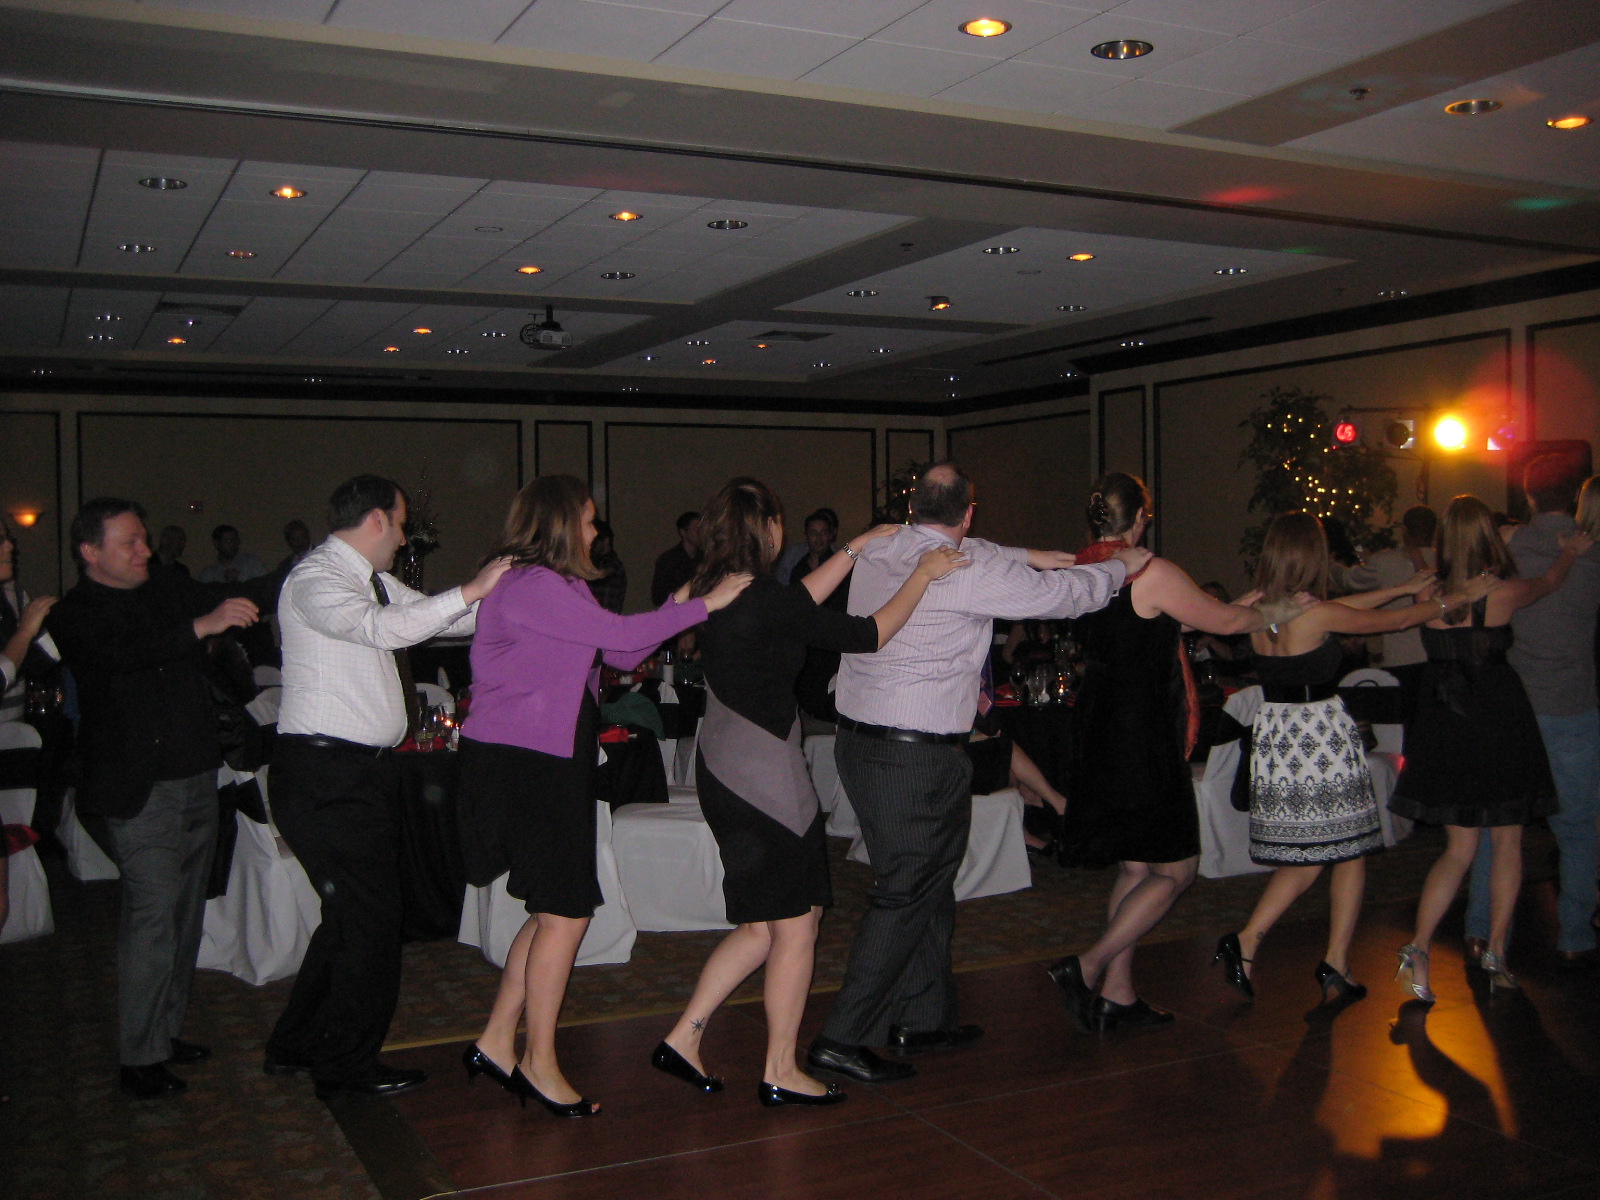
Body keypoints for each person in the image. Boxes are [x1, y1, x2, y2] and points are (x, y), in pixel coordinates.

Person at [806, 462, 1146, 1086]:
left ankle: (923, 1016)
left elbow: (978, 548)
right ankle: (841, 1038)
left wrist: (1029, 554)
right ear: (968, 512)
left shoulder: (883, 545)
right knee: (906, 892)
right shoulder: (967, 570)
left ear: (914, 509)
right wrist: (1123, 566)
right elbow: (1066, 598)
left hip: (861, 743)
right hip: (912, 755)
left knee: (929, 881)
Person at [654, 479, 965, 1108]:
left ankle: (683, 1039)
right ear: (767, 528)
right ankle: (780, 1068)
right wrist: (924, 574)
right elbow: (870, 633)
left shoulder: (717, 591)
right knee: (799, 924)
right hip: (765, 776)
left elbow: (795, 604)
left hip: (722, 767)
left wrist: (854, 548)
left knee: (762, 927)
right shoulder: (761, 596)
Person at [457, 475, 749, 1116]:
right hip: (527, 762)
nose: (596, 531)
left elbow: (623, 646)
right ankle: (538, 1063)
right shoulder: (534, 584)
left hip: (539, 756)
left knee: (553, 909)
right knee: (566, 911)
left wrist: (688, 594)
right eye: (589, 520)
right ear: (562, 523)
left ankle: (497, 1040)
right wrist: (706, 605)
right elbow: (619, 643)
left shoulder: (554, 586)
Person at [264, 475, 510, 1100]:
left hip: (354, 774)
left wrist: (512, 599)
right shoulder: (316, 578)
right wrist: (472, 587)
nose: (404, 539)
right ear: (375, 519)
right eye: (400, 524)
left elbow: (439, 621)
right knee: (372, 921)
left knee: (350, 917)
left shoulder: (371, 580)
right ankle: (344, 1065)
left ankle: (297, 1042)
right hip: (324, 774)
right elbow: (380, 630)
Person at [1050, 474, 1308, 1033]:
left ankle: (1117, 994)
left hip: (1100, 725)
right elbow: (1227, 625)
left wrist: (1233, 606)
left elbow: (1169, 620)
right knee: (1176, 869)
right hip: (1141, 732)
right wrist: (1280, 609)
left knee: (1137, 866)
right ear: (1143, 517)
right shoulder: (1149, 570)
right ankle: (1087, 966)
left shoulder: (1085, 568)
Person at [1213, 512, 1492, 1006]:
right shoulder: (1314, 615)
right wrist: (1454, 599)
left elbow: (1344, 608)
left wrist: (1403, 587)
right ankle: (1326, 961)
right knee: (1347, 850)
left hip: (1278, 738)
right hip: (1318, 738)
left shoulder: (1259, 609)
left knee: (1317, 854)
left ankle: (1258, 944)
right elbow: (1394, 622)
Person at [47, 498, 262, 1099]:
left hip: (195, 776)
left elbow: (233, 592)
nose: (145, 550)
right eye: (130, 543)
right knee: (152, 915)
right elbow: (123, 653)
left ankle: (163, 1033)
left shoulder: (163, 587)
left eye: (144, 539)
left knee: (185, 916)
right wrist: (201, 626)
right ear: (90, 552)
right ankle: (138, 1057)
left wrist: (312, 566)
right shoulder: (75, 613)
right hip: (138, 790)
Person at [1389, 494, 1591, 1001]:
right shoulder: (1502, 592)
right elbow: (1549, 583)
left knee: (1458, 850)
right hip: (1500, 720)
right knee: (1506, 843)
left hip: (1446, 724)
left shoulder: (1430, 596)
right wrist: (1570, 553)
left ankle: (1418, 947)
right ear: (1487, 538)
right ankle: (1497, 953)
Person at [1460, 458, 1600, 969]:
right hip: (1573, 703)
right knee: (1578, 829)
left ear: (1528, 495)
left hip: (1514, 705)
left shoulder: (1508, 548)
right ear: (1577, 496)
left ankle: (1480, 931)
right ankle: (1575, 934)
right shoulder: (1592, 552)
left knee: (1500, 829)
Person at [1348, 505, 1438, 727]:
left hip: (1399, 659)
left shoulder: (1386, 561)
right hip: (1435, 658)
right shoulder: (1446, 561)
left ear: (1405, 530)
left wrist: (1336, 565)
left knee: (1398, 727)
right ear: (1435, 530)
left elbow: (1352, 580)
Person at [1, 519, 58, 725]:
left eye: (8, 538)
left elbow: (38, 662)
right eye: (0, 540)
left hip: (13, 729)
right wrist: (24, 633)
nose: (10, 546)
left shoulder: (13, 594)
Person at [774, 507, 839, 585]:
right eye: (813, 533)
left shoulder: (838, 562)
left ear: (830, 535)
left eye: (823, 533)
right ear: (806, 535)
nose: (819, 537)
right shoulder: (798, 564)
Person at [650, 511, 701, 606]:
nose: (701, 533)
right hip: (677, 612)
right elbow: (658, 597)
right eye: (697, 530)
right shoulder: (668, 560)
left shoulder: (705, 559)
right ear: (683, 532)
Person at [198, 524, 266, 584]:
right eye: (228, 541)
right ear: (217, 544)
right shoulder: (209, 574)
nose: (233, 544)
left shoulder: (252, 564)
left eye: (235, 540)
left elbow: (264, 586)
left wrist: (239, 579)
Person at [585, 518, 627, 613]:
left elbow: (604, 608)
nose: (590, 546)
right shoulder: (603, 565)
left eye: (594, 541)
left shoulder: (610, 568)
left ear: (605, 541)